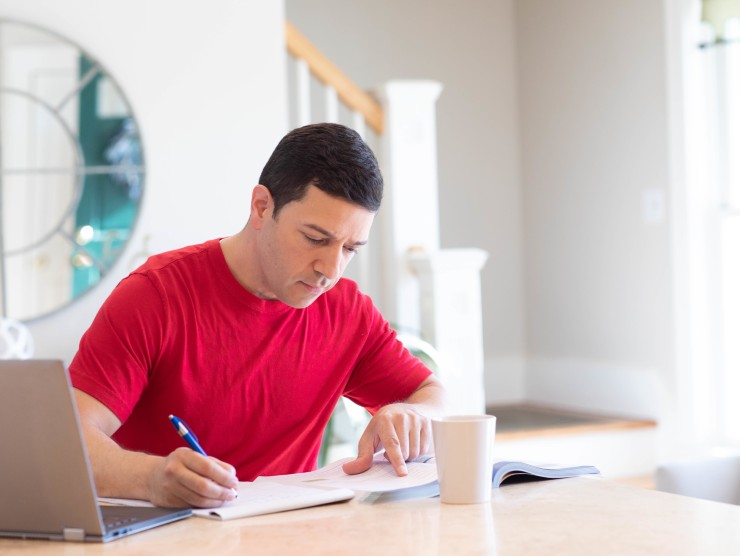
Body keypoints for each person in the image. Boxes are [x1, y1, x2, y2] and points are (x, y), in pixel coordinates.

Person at [70, 123, 445, 509]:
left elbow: (434, 396)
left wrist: (412, 413)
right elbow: (69, 439)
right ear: (262, 207)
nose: (331, 269)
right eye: (316, 238)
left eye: (351, 248)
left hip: (286, 534)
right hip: (168, 532)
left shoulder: (348, 312)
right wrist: (150, 478)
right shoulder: (155, 295)